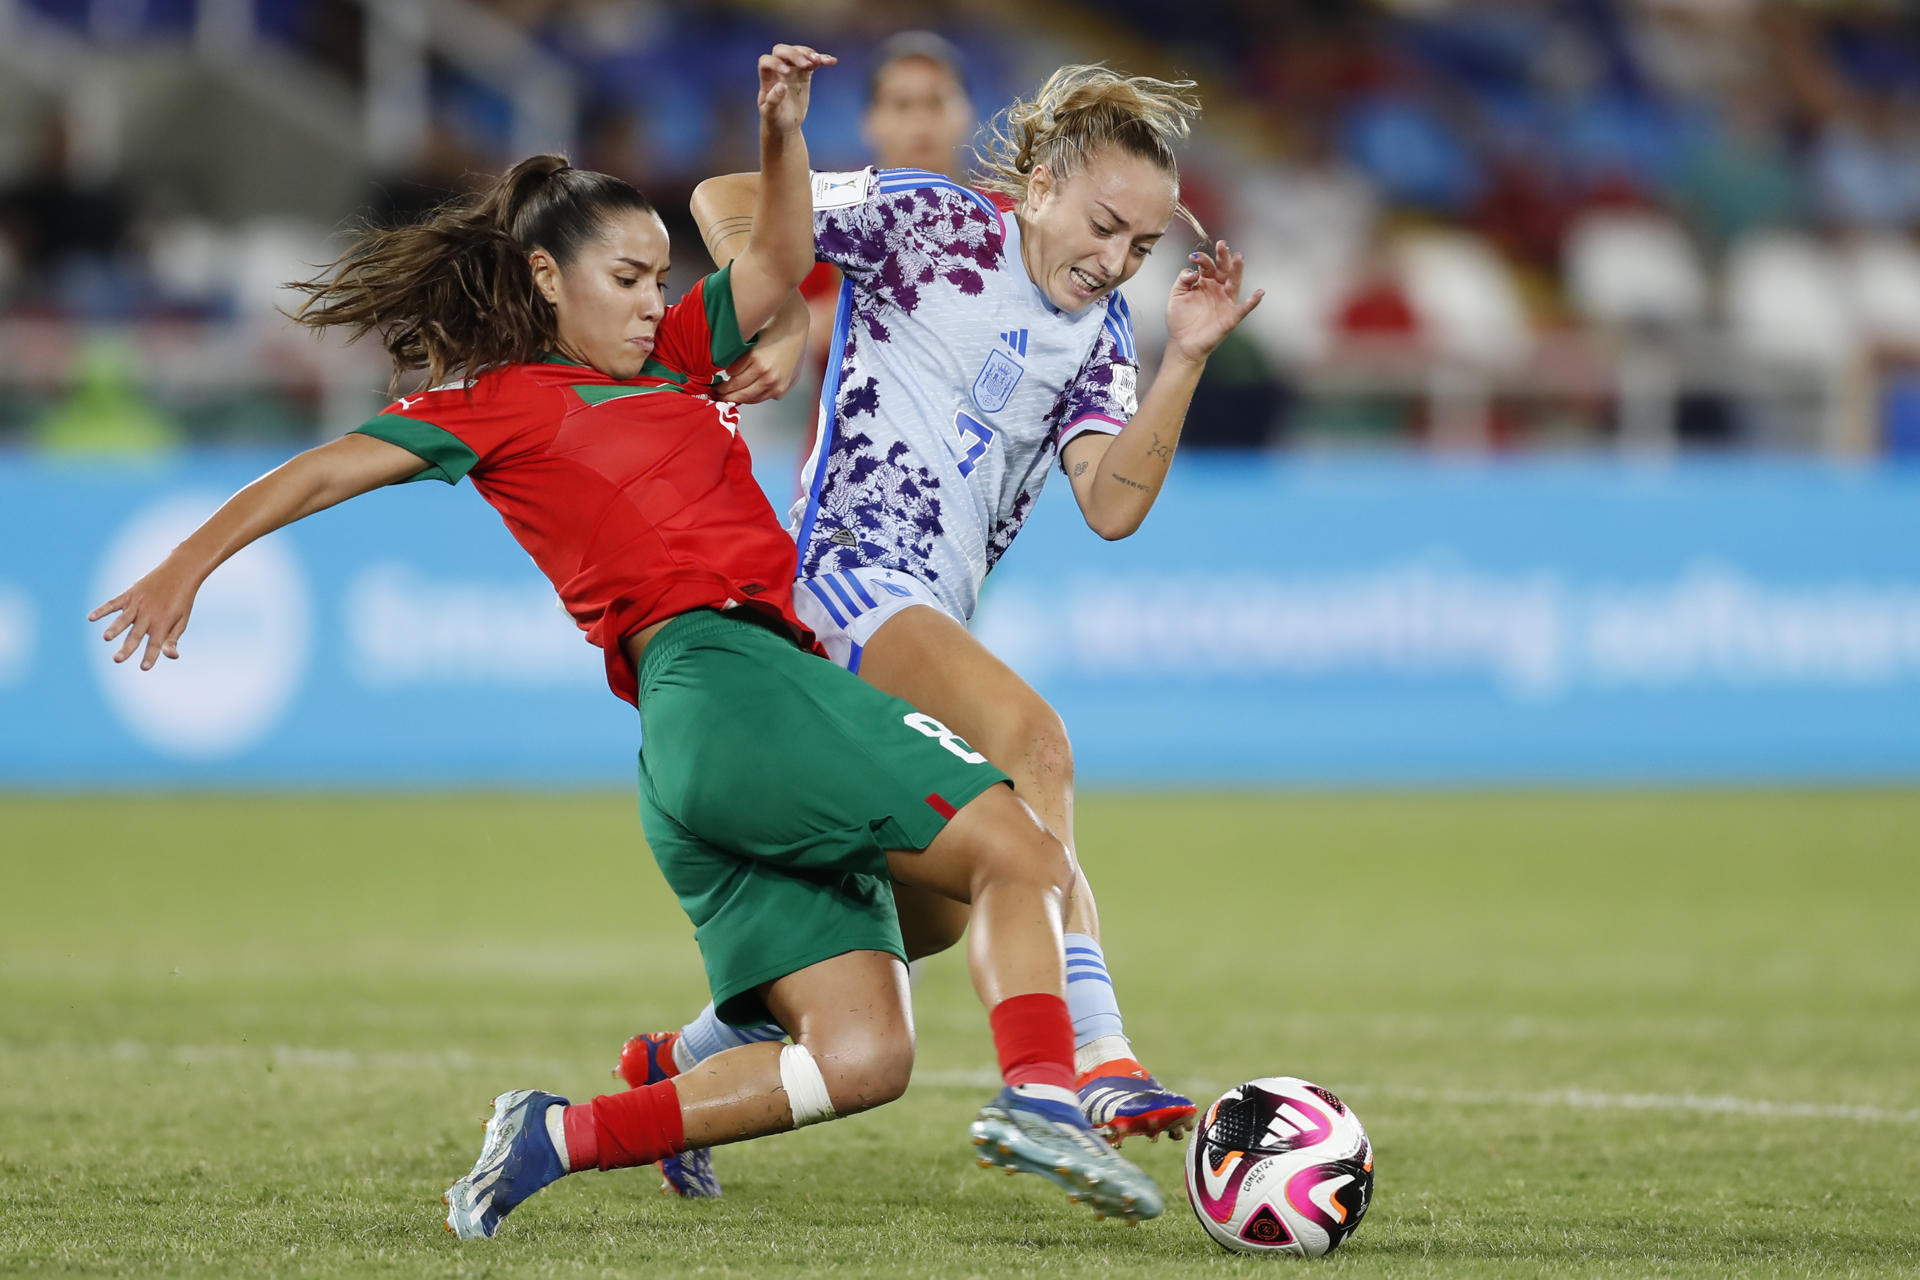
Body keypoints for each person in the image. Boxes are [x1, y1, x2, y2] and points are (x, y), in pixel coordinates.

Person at [87, 45, 1162, 1238]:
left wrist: (780, 139)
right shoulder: (498, 402)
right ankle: (1050, 1094)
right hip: (731, 678)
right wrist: (188, 562)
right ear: (546, 276)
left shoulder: (675, 359)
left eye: (661, 276)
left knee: (862, 1053)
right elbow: (327, 469)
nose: (659, 300)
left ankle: (560, 1131)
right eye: (631, 277)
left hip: (701, 738)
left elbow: (781, 265)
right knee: (1018, 847)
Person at [616, 63, 1264, 1195]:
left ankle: (675, 1063)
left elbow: (1111, 502)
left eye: (1140, 249)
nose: (1115, 262)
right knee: (1037, 745)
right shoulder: (927, 223)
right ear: (1042, 186)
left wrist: (1189, 353)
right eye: (1105, 226)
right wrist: (762, 301)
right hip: (843, 581)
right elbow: (730, 198)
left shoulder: (1103, 335)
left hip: (924, 613)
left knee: (917, 911)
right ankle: (1089, 1061)